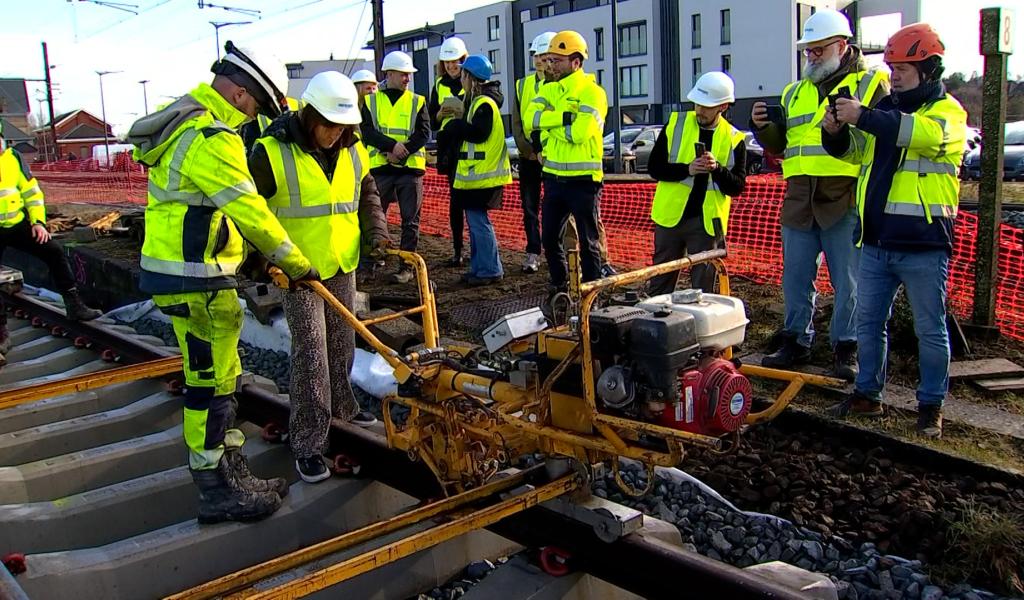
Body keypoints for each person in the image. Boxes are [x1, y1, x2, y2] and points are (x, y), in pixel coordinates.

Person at [126, 41, 317, 524]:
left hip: (194, 275)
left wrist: (248, 261)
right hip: (196, 280)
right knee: (208, 386)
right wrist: (295, 264)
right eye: (257, 104)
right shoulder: (211, 137)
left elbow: (209, 210)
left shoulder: (188, 129)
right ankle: (215, 487)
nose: (254, 116)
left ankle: (230, 471)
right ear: (238, 92)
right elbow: (248, 210)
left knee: (221, 379)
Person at [821, 23, 965, 439]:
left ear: (929, 70)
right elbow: (856, 151)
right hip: (876, 244)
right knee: (868, 324)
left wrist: (863, 115)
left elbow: (918, 136)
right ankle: (868, 394)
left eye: (903, 68)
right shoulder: (886, 115)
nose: (894, 75)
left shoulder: (947, 113)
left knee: (929, 329)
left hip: (923, 245)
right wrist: (835, 132)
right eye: (890, 67)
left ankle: (930, 406)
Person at [248, 71, 391, 481]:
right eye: (327, 125)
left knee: (342, 342)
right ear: (308, 114)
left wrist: (377, 236)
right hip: (296, 269)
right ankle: (309, 442)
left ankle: (343, 407)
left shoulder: (353, 148)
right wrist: (263, 262)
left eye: (341, 126)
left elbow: (366, 195)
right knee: (311, 353)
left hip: (340, 262)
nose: (332, 134)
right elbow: (248, 214)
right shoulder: (271, 152)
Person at [751, 8, 889, 381]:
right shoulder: (796, 91)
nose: (810, 56)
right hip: (799, 195)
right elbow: (786, 145)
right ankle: (795, 340)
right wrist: (763, 129)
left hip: (844, 195)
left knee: (849, 280)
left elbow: (881, 138)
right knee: (795, 277)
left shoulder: (872, 83)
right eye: (807, 51)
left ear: (842, 46)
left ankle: (846, 346)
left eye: (817, 49)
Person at [0, 122, 102, 366]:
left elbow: (32, 193)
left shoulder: (13, 158)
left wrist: (38, 223)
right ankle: (1, 331)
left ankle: (74, 304)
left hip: (17, 223)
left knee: (53, 252)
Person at [524, 30, 609, 297]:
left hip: (584, 180)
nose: (550, 65)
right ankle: (560, 283)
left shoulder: (593, 93)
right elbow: (530, 120)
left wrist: (549, 124)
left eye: (556, 60)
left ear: (576, 61)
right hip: (553, 178)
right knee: (549, 238)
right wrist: (564, 118)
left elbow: (579, 134)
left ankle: (591, 291)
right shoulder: (550, 89)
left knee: (589, 241)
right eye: (549, 60)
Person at [648, 72, 747, 295]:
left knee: (703, 286)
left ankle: (700, 327)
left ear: (723, 106)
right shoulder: (676, 124)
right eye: (697, 104)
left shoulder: (733, 138)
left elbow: (737, 186)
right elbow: (655, 168)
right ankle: (653, 324)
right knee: (660, 281)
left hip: (706, 224)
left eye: (706, 106)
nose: (699, 110)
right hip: (670, 217)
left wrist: (717, 169)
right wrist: (687, 169)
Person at [437, 55, 511, 286]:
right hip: (478, 177)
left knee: (479, 223)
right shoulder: (480, 102)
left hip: (482, 177)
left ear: (471, 77)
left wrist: (456, 126)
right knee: (476, 222)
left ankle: (489, 269)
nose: (461, 79)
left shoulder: (484, 104)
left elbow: (479, 134)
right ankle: (481, 268)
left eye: (464, 75)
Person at [360, 50, 430, 285]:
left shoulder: (417, 101)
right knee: (373, 218)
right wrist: (391, 147)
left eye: (408, 75)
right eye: (403, 74)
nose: (407, 79)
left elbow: (423, 133)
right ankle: (369, 264)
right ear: (389, 74)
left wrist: (401, 151)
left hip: (409, 169)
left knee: (411, 221)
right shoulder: (371, 101)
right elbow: (367, 131)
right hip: (382, 168)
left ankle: (407, 268)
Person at [512, 31, 556, 274]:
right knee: (529, 207)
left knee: (554, 207)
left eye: (543, 55)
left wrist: (544, 151)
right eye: (536, 55)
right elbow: (517, 123)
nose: (539, 60)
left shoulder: (558, 83)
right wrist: (528, 151)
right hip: (529, 157)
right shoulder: (522, 85)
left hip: (552, 156)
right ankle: (533, 251)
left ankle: (554, 251)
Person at [429, 37, 470, 267]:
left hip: (468, 143)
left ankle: (475, 249)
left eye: (456, 61)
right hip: (449, 147)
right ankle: (457, 249)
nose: (452, 66)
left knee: (471, 202)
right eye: (448, 62)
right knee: (455, 202)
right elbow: (433, 120)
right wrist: (441, 114)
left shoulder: (471, 81)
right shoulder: (439, 85)